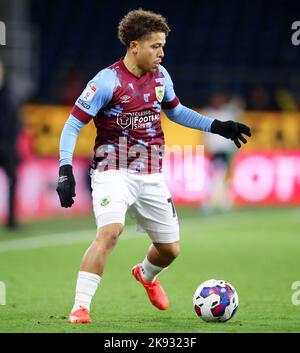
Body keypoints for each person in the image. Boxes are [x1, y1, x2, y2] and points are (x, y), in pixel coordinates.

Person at [56, 9, 251, 324]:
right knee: (110, 232)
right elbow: (71, 126)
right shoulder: (107, 80)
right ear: (134, 46)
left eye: (163, 46)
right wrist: (65, 169)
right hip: (112, 171)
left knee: (170, 250)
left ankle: (145, 274)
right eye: (155, 46)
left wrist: (217, 126)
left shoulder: (161, 76)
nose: (161, 53)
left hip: (151, 174)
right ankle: (80, 307)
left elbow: (176, 112)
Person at [0, 61, 21, 229]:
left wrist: (12, 142)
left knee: (13, 179)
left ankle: (11, 220)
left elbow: (15, 120)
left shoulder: (8, 91)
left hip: (7, 146)